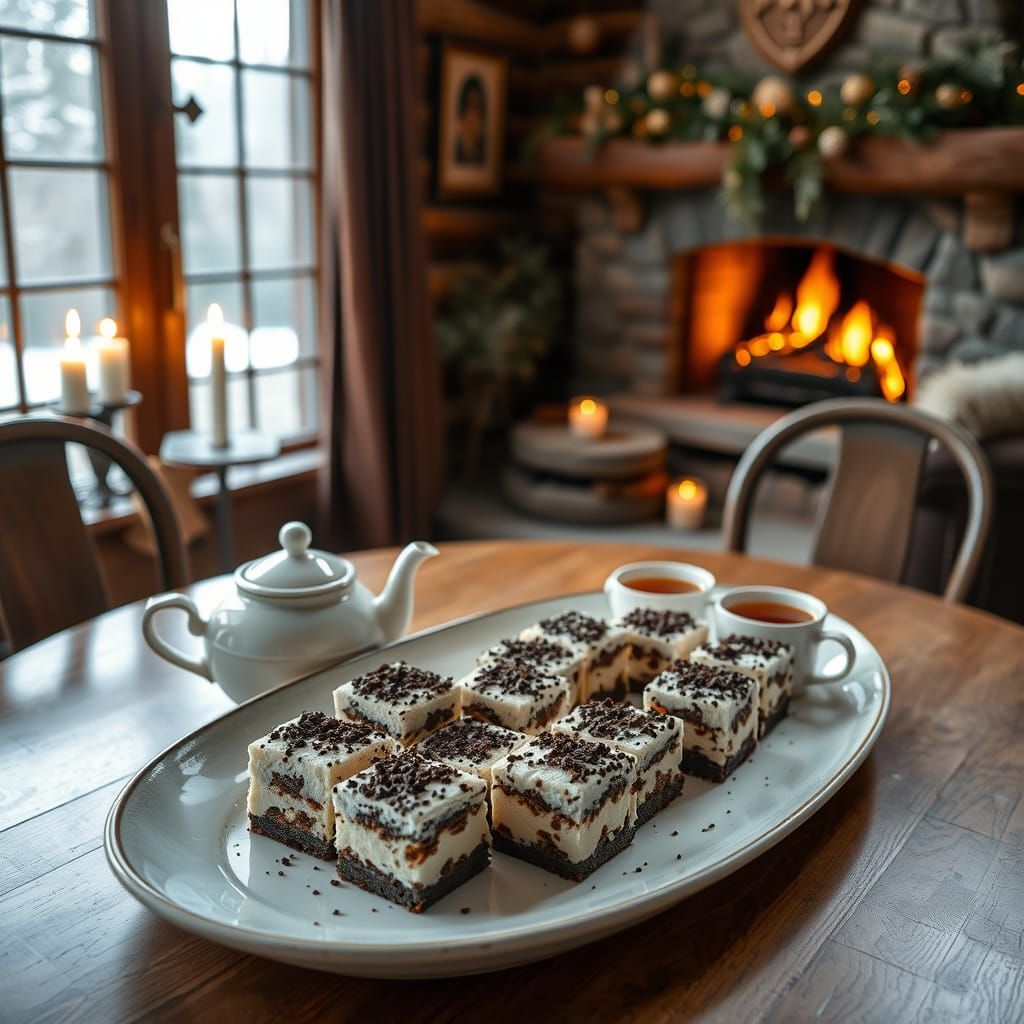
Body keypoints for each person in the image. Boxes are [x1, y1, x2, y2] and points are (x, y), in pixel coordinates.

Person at [453, 74, 486, 165]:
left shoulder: (481, 150)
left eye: (479, 108)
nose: (476, 115)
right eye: (472, 106)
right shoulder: (456, 147)